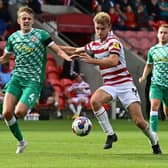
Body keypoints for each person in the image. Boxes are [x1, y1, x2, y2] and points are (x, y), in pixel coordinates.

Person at [71, 12, 162, 154]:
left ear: (109, 27)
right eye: (97, 28)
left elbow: (113, 61)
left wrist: (92, 60)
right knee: (95, 101)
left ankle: (154, 141)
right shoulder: (94, 44)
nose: (99, 32)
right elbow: (76, 50)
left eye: (102, 28)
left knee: (139, 121)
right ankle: (110, 135)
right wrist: (54, 47)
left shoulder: (113, 42)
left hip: (125, 85)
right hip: (110, 85)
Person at [0, 6, 72, 154]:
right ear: (19, 21)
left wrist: (66, 57)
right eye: (23, 18)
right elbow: (5, 58)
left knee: (19, 113)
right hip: (16, 79)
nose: (26, 21)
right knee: (6, 113)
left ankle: (32, 100)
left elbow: (56, 49)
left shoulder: (42, 35)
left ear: (32, 20)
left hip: (33, 81)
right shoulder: (13, 38)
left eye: (28, 18)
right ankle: (21, 142)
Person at [139, 24, 168, 151]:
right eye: (161, 32)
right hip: (156, 84)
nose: (163, 35)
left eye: (166, 33)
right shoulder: (153, 50)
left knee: (167, 113)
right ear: (157, 34)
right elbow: (149, 65)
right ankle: (154, 137)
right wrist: (144, 76)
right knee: (154, 106)